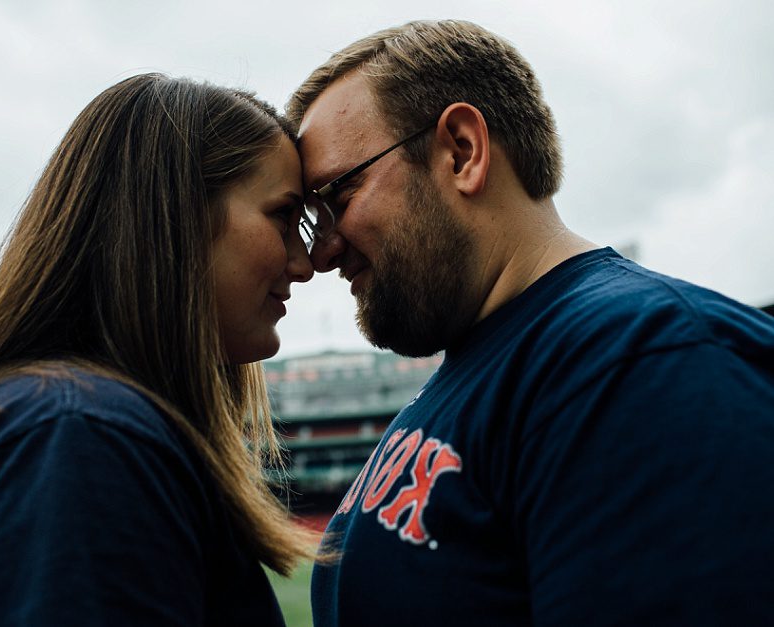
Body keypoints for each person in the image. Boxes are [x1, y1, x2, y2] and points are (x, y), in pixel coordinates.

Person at [287, 20, 774, 626]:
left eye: (338, 196)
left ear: (462, 152)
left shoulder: (645, 360)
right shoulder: (494, 360)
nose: (319, 253)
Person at [0, 73, 316, 626]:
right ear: (174, 214)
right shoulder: (77, 437)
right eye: (282, 216)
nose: (304, 263)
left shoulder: (69, 425)